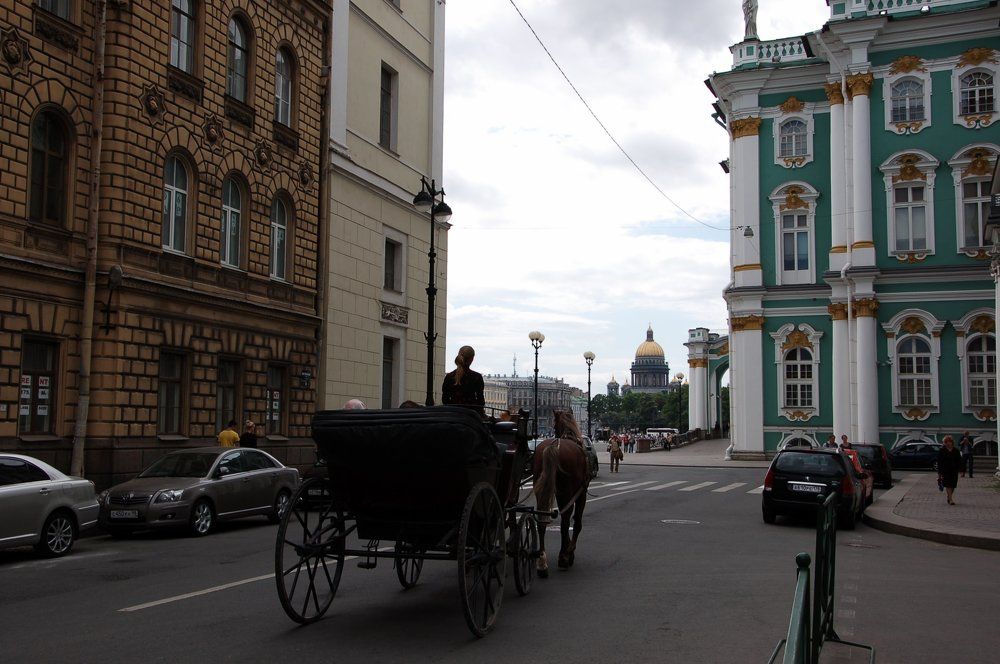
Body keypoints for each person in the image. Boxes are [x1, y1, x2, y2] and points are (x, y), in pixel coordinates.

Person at [441, 345, 485, 414]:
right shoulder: (477, 377)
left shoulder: (449, 377)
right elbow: (480, 401)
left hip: (452, 414)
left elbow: (445, 399)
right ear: (472, 359)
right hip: (470, 415)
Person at [937, 435, 963, 505]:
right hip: (945, 470)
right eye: (946, 442)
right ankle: (951, 499)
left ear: (952, 442)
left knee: (953, 485)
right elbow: (939, 462)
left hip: (954, 470)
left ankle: (949, 496)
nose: (947, 443)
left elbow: (959, 461)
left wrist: (961, 470)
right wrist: (939, 473)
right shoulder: (942, 450)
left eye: (949, 442)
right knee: (948, 484)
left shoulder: (956, 450)